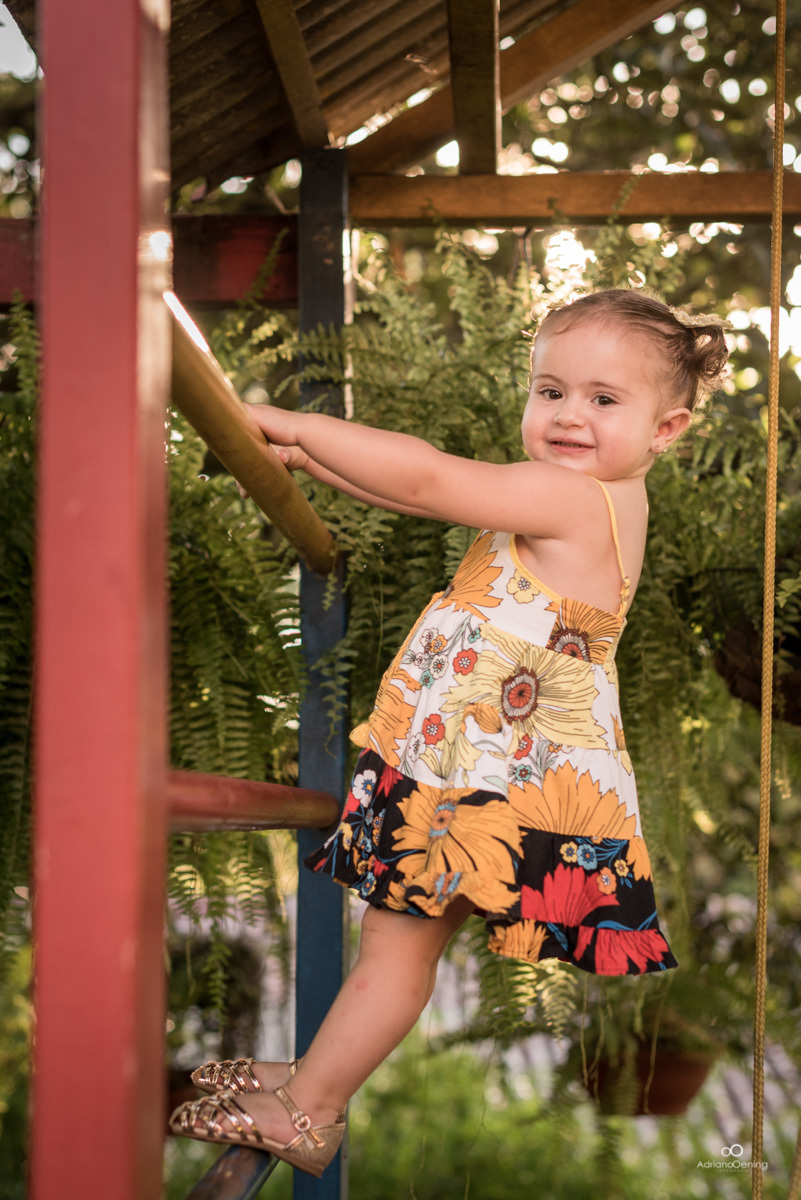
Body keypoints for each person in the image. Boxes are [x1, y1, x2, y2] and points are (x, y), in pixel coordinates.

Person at [170, 287, 730, 1176]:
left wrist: (270, 417)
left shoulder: (574, 499)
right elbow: (415, 496)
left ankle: (310, 1111)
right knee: (399, 941)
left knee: (396, 943)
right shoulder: (583, 499)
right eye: (549, 392)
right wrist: (310, 463)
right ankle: (315, 1078)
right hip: (487, 765)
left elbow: (428, 476)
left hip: (489, 778)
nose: (568, 416)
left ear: (665, 431)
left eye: (602, 399)